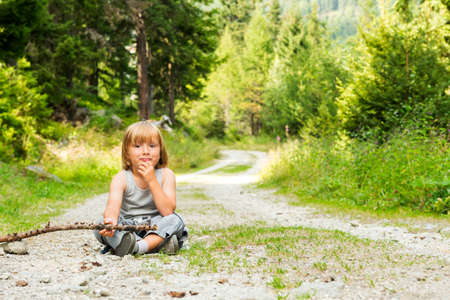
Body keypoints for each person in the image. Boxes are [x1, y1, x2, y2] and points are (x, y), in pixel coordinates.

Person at [94, 120, 186, 257]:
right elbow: (113, 207)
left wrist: (152, 181)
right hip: (128, 227)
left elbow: (167, 211)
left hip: (157, 224)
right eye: (137, 146)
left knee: (175, 220)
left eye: (152, 146)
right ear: (127, 152)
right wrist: (111, 222)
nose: (145, 151)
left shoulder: (167, 175)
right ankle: (155, 244)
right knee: (100, 223)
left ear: (161, 150)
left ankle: (138, 247)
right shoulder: (121, 178)